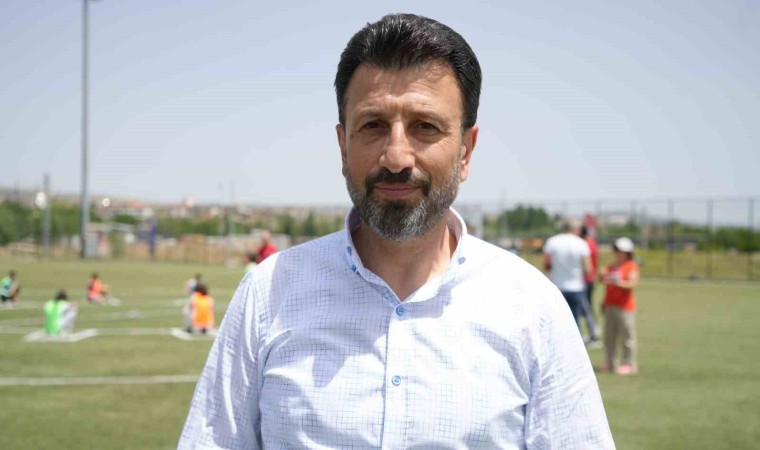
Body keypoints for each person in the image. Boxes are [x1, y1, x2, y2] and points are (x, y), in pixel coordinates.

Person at [180, 13, 614, 449]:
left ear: (466, 151)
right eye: (373, 126)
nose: (396, 157)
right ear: (342, 146)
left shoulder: (532, 309)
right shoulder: (268, 294)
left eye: (425, 127)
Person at [543, 222, 595, 336]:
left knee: (558, 322)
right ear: (575, 229)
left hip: (557, 286)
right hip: (576, 287)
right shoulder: (581, 243)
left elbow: (547, 265)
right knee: (575, 322)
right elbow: (588, 269)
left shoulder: (552, 242)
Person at [600, 237, 640, 375]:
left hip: (625, 307)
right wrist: (602, 275)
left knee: (627, 337)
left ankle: (629, 364)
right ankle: (610, 362)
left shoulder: (631, 266)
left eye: (619, 250)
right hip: (610, 304)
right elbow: (602, 279)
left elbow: (631, 284)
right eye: (616, 250)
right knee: (609, 336)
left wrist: (615, 282)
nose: (617, 253)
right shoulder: (612, 266)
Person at [581, 224, 601, 346]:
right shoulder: (591, 243)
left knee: (586, 307)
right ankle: (593, 332)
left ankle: (594, 333)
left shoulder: (585, 244)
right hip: (589, 279)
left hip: (585, 280)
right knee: (587, 307)